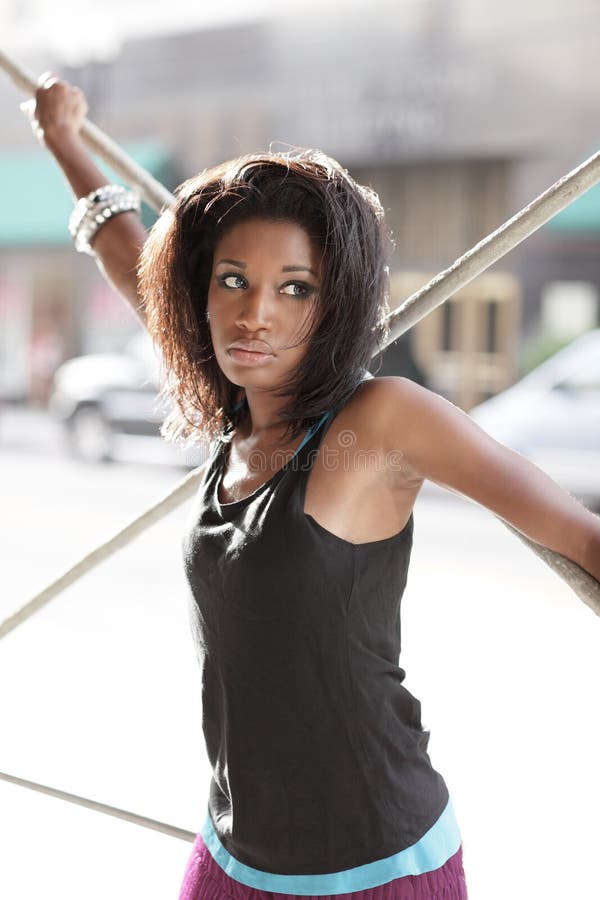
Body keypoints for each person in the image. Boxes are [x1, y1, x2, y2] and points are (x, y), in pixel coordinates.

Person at [26, 73, 600, 900]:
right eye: (233, 280)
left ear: (331, 306)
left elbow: (581, 535)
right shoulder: (239, 417)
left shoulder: (379, 420)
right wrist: (63, 139)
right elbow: (128, 257)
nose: (257, 313)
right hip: (230, 854)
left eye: (295, 288)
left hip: (378, 867)